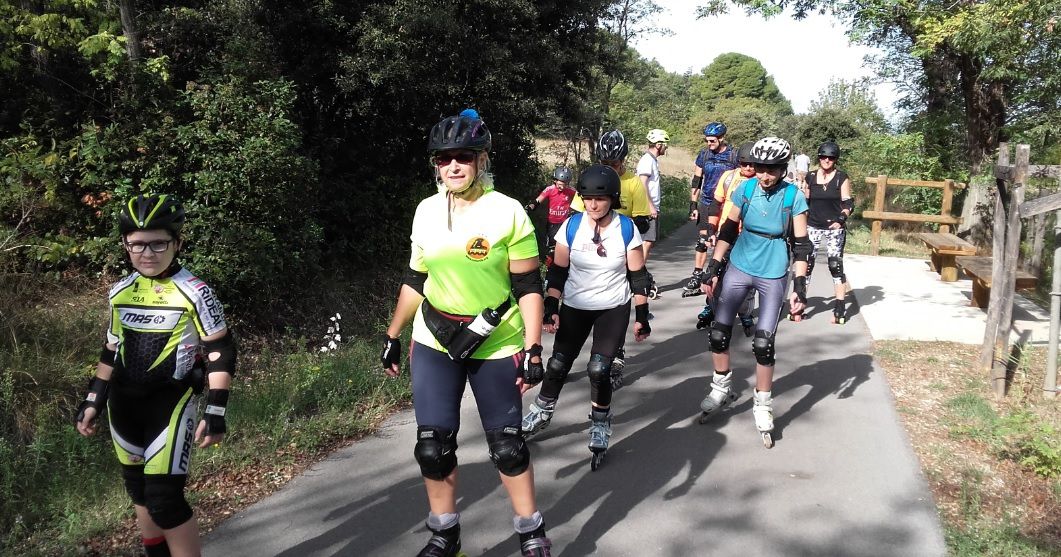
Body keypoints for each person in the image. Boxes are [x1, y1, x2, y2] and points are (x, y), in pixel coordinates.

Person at [380, 111, 553, 557]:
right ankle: (445, 534)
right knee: (433, 447)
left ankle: (530, 531)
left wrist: (534, 347)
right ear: (435, 164)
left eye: (463, 157)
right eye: (444, 159)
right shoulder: (426, 211)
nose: (453, 166)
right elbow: (415, 280)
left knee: (508, 447)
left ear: (482, 160)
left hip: (495, 342)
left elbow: (528, 287)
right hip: (435, 338)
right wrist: (392, 334)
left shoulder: (507, 211)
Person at [75, 194, 236, 557]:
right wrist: (92, 401)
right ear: (125, 245)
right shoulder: (120, 292)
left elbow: (220, 352)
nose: (147, 253)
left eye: (158, 242)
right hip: (123, 406)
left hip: (169, 405)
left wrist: (216, 412)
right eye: (137, 244)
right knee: (139, 492)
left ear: (177, 243)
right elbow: (111, 349)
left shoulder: (195, 291)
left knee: (165, 501)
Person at [520, 165, 652, 470]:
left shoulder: (627, 229)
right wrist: (551, 307)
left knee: (598, 369)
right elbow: (558, 271)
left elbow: (638, 277)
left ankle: (601, 421)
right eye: (588, 198)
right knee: (557, 363)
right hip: (576, 304)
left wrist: (642, 316)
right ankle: (542, 411)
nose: (593, 204)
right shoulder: (571, 225)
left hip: (612, 307)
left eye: (600, 198)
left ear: (613, 199)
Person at [699, 136, 812, 448]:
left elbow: (802, 245)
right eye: (760, 168)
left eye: (771, 170)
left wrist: (800, 286)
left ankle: (762, 403)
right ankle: (721, 387)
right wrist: (714, 265)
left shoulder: (793, 196)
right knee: (719, 332)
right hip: (740, 262)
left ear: (782, 169)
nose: (763, 175)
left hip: (774, 269)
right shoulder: (745, 188)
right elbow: (726, 229)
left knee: (763, 342)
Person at [570, 130, 654, 388]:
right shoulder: (592, 179)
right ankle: (564, 357)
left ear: (623, 160)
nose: (610, 168)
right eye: (606, 164)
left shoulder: (632, 184)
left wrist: (621, 222)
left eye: (615, 164)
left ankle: (614, 356)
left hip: (620, 252)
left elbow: (642, 220)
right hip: (589, 252)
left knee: (616, 305)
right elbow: (576, 215)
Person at [696, 142, 758, 336]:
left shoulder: (760, 182)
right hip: (726, 235)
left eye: (752, 164)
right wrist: (711, 230)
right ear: (738, 162)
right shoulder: (728, 177)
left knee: (747, 280)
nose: (748, 168)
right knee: (716, 275)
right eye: (744, 163)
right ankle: (711, 308)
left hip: (748, 238)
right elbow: (716, 205)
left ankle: (745, 313)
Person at [801, 141, 854, 324]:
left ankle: (839, 307)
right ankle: (800, 304)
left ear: (835, 160)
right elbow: (804, 203)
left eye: (831, 158)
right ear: (819, 158)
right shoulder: (811, 176)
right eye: (823, 157)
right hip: (812, 226)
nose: (827, 160)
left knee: (835, 266)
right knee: (806, 264)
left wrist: (841, 219)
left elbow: (848, 203)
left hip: (834, 228)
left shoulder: (841, 177)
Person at [683, 122, 738, 296]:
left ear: (722, 138)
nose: (709, 143)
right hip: (707, 202)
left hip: (726, 204)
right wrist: (693, 204)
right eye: (707, 140)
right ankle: (697, 275)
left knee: (723, 240)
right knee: (703, 241)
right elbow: (696, 180)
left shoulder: (733, 156)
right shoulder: (704, 154)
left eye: (712, 140)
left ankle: (717, 274)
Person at [525, 166, 576, 266]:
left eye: (564, 185)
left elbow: (582, 199)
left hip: (564, 223)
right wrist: (529, 207)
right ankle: (551, 267)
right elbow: (538, 200)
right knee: (552, 248)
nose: (562, 187)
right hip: (552, 223)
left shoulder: (570, 191)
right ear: (555, 181)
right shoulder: (550, 189)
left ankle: (565, 265)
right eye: (560, 184)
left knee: (565, 246)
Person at [636, 129, 669, 264]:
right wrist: (650, 206)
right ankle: (638, 273)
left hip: (651, 207)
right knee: (646, 242)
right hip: (647, 208)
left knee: (648, 242)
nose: (666, 148)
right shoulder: (647, 160)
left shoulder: (652, 160)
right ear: (658, 145)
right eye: (665, 144)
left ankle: (638, 271)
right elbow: (642, 183)